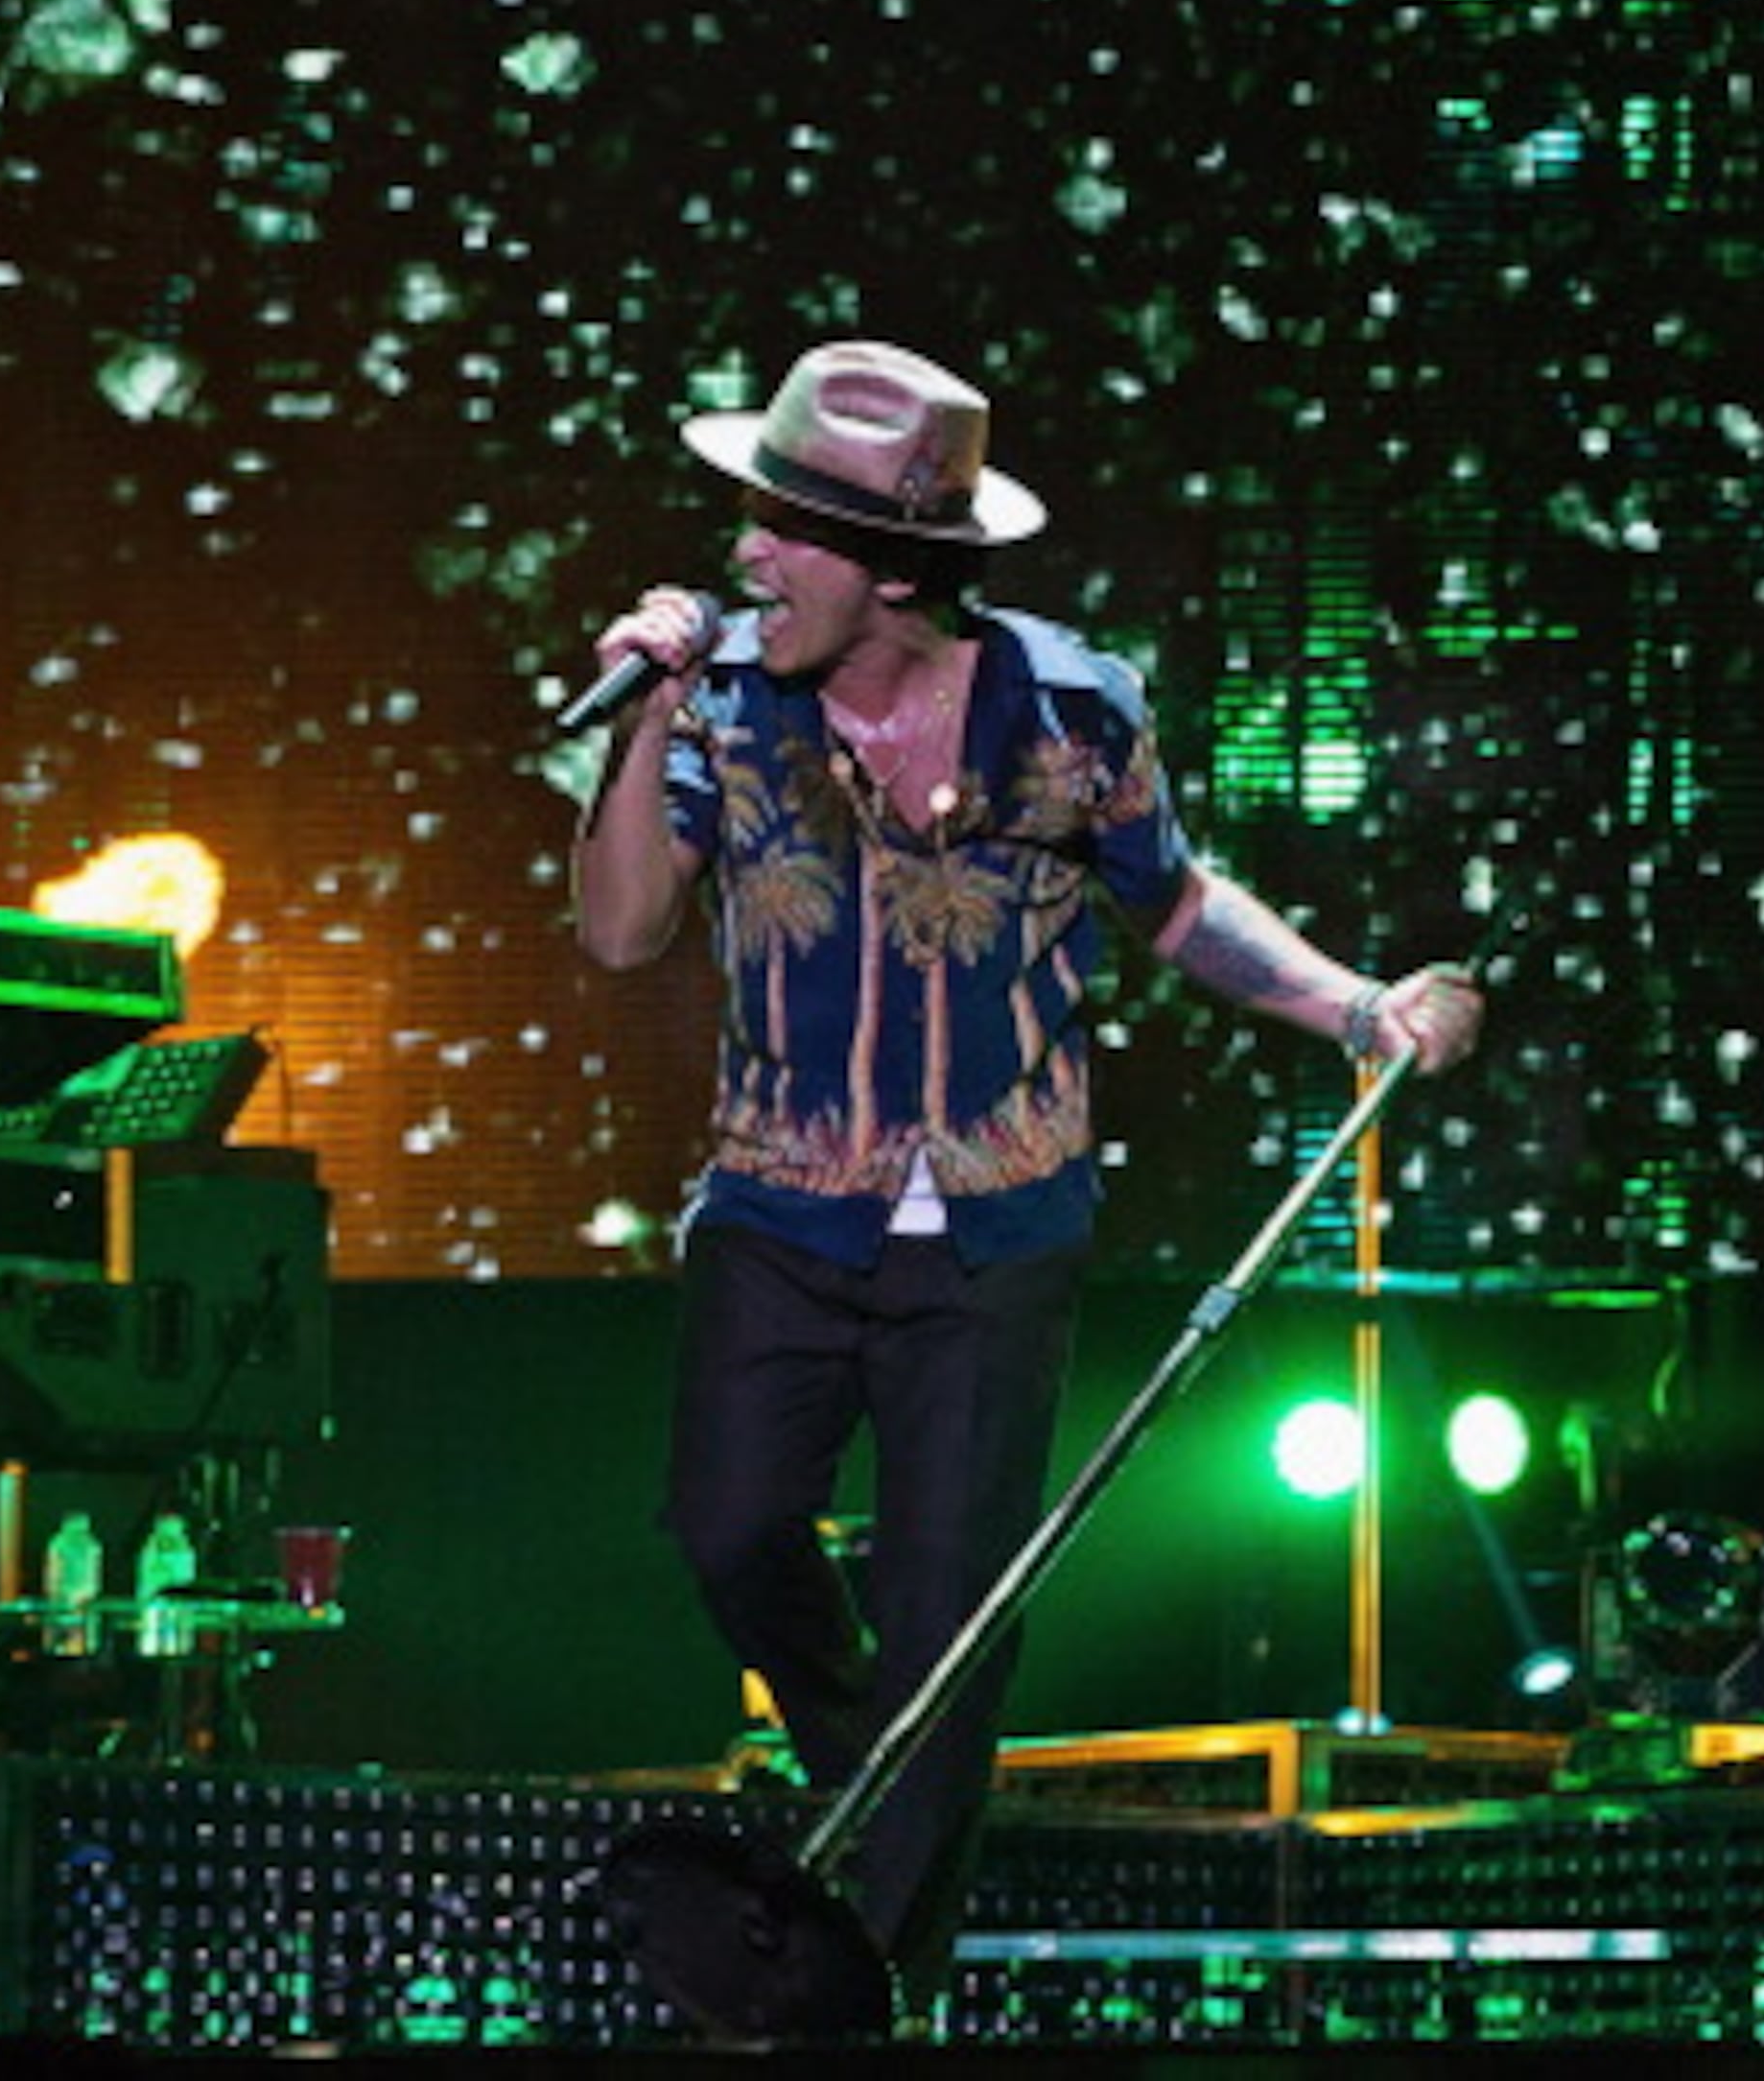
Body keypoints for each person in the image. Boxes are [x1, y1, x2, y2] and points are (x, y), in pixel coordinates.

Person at [573, 338, 1486, 2025]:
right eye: (751, 516)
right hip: (780, 1202)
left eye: (789, 525)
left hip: (998, 1228)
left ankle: (875, 1994)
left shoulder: (1076, 707)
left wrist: (1360, 1007)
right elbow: (623, 929)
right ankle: (881, 1766)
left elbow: (1181, 903)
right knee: (729, 1529)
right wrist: (635, 722)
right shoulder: (722, 701)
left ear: (900, 561)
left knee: (953, 1614)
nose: (749, 554)